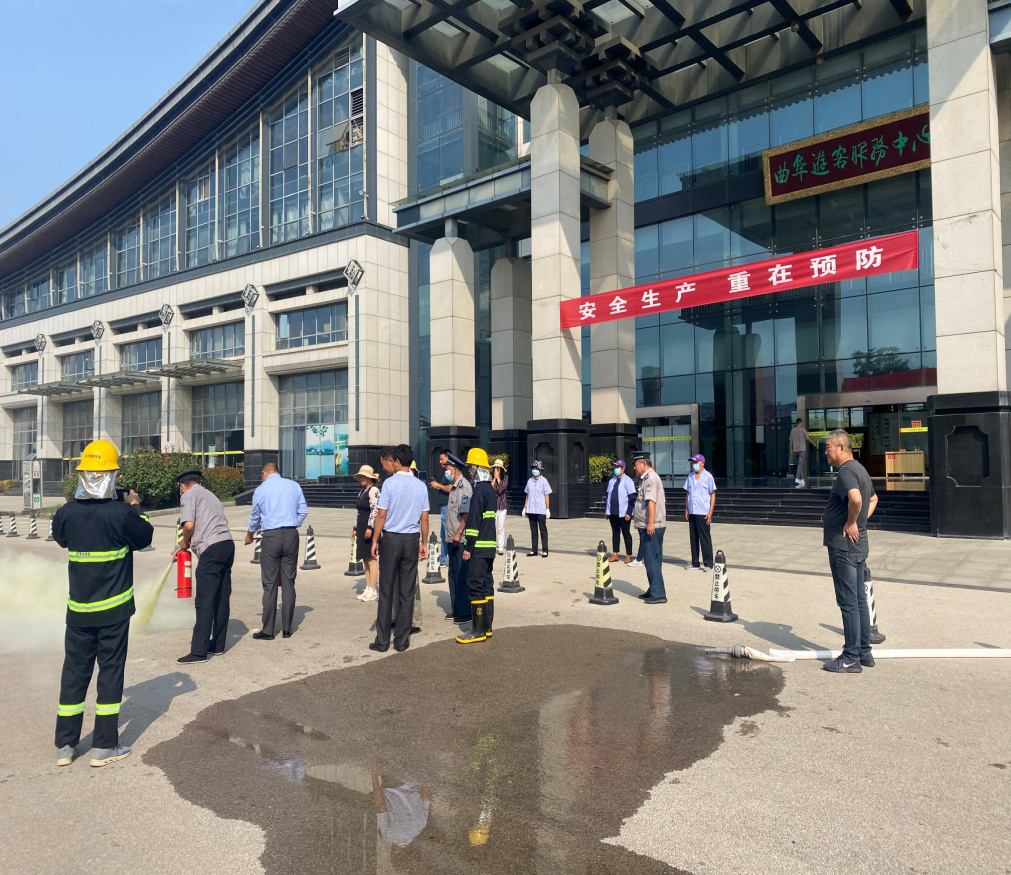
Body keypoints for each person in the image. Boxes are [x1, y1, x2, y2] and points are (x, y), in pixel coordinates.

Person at [51, 439, 154, 768]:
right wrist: (134, 505)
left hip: (79, 612)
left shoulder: (66, 514)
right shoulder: (122, 514)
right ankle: (104, 746)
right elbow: (145, 536)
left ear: (82, 475)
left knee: (74, 674)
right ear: (111, 476)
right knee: (110, 674)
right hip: (113, 612)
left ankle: (65, 746)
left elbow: (62, 538)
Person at [822, 429, 878, 673]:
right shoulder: (860, 469)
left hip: (843, 546)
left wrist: (852, 521)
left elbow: (856, 500)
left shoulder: (846, 470)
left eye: (828, 447)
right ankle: (864, 651)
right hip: (858, 545)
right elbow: (873, 499)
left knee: (848, 602)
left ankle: (851, 656)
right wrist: (860, 521)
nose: (826, 452)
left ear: (841, 447)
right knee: (859, 600)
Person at [370, 444, 430, 653]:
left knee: (386, 590)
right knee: (407, 591)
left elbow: (381, 515)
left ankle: (382, 641)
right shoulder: (420, 486)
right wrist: (424, 543)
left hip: (391, 539)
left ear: (396, 461)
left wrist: (375, 540)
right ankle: (402, 641)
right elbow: (424, 518)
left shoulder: (390, 483)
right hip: (411, 540)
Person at [175, 470, 235, 664]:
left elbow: (189, 526)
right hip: (227, 545)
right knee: (221, 597)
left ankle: (199, 652)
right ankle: (217, 645)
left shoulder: (188, 495)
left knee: (204, 600)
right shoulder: (209, 494)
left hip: (211, 549)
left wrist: (184, 543)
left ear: (182, 485)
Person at [244, 462, 308, 640]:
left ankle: (268, 630)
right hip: (291, 535)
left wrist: (249, 535)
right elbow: (303, 511)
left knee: (270, 583)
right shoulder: (294, 486)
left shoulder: (261, 490)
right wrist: (293, 523)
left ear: (264, 473)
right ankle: (287, 629)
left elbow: (255, 517)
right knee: (288, 582)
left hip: (271, 536)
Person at [456, 448, 498, 644]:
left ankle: (478, 630)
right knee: (486, 584)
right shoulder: (490, 490)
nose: (470, 471)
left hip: (478, 548)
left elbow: (473, 522)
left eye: (472, 468)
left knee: (475, 586)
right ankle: (487, 627)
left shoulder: (479, 490)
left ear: (478, 468)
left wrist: (468, 547)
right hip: (489, 548)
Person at [631, 450, 667, 605]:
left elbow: (651, 503)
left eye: (635, 464)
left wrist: (650, 523)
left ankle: (658, 593)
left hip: (652, 526)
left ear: (643, 464)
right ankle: (653, 589)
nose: (634, 467)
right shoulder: (646, 478)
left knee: (652, 560)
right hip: (650, 525)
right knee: (652, 559)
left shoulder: (650, 478)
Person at [443, 453, 472, 624]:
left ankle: (465, 612)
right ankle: (456, 609)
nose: (446, 471)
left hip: (459, 538)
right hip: (450, 537)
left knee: (461, 574)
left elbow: (466, 514)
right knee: (453, 574)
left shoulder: (464, 487)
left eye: (447, 467)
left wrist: (459, 532)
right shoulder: (454, 487)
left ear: (454, 469)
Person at [352, 465, 381, 602]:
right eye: (360, 477)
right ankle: (368, 587)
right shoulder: (362, 491)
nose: (361, 479)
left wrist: (370, 527)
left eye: (363, 477)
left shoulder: (373, 490)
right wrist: (355, 528)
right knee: (364, 558)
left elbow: (376, 510)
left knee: (371, 558)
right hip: (361, 526)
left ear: (369, 478)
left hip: (369, 527)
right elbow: (359, 512)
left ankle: (373, 589)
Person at [683, 454, 717, 572]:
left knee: (705, 537)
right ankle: (695, 562)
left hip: (703, 511)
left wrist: (710, 512)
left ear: (702, 463)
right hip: (692, 510)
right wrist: (687, 509)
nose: (694, 465)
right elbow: (688, 494)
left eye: (696, 462)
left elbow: (712, 494)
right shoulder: (690, 476)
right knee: (693, 537)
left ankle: (708, 564)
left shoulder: (708, 476)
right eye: (693, 463)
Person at [605, 460, 636, 563]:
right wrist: (607, 511)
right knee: (615, 533)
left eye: (617, 467)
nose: (615, 469)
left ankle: (628, 555)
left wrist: (629, 512)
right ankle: (615, 554)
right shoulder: (611, 481)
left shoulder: (628, 480)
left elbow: (632, 498)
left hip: (624, 513)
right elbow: (608, 496)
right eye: (614, 467)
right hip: (613, 512)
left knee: (626, 533)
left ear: (623, 468)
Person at [522, 460, 551, 557]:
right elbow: (527, 495)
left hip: (540, 509)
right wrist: (525, 507)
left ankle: (545, 550)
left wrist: (547, 509)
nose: (534, 470)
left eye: (536, 468)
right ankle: (534, 550)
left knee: (543, 530)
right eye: (533, 468)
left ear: (540, 470)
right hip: (531, 509)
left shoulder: (544, 481)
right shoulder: (529, 481)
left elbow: (546, 495)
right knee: (533, 531)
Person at [427, 451, 451, 567]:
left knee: (447, 533)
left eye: (442, 459)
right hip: (444, 506)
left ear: (448, 458)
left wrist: (438, 485)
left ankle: (447, 558)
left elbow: (450, 488)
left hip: (447, 506)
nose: (440, 461)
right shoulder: (446, 472)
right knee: (443, 534)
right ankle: (443, 558)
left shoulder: (449, 473)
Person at [790, 417, 817, 488]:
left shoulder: (792, 431)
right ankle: (797, 478)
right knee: (800, 464)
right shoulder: (803, 430)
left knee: (800, 464)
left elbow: (790, 442)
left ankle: (801, 479)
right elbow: (808, 438)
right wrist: (813, 443)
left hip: (795, 450)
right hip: (802, 450)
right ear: (801, 423)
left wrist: (791, 450)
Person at [491, 458, 509, 554]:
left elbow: (502, 489)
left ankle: (500, 547)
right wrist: (494, 478)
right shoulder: (491, 477)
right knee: (492, 526)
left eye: (498, 468)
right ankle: (492, 546)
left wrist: (498, 479)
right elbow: (490, 488)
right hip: (493, 505)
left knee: (500, 527)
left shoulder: (505, 477)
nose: (497, 470)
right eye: (495, 468)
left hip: (501, 504)